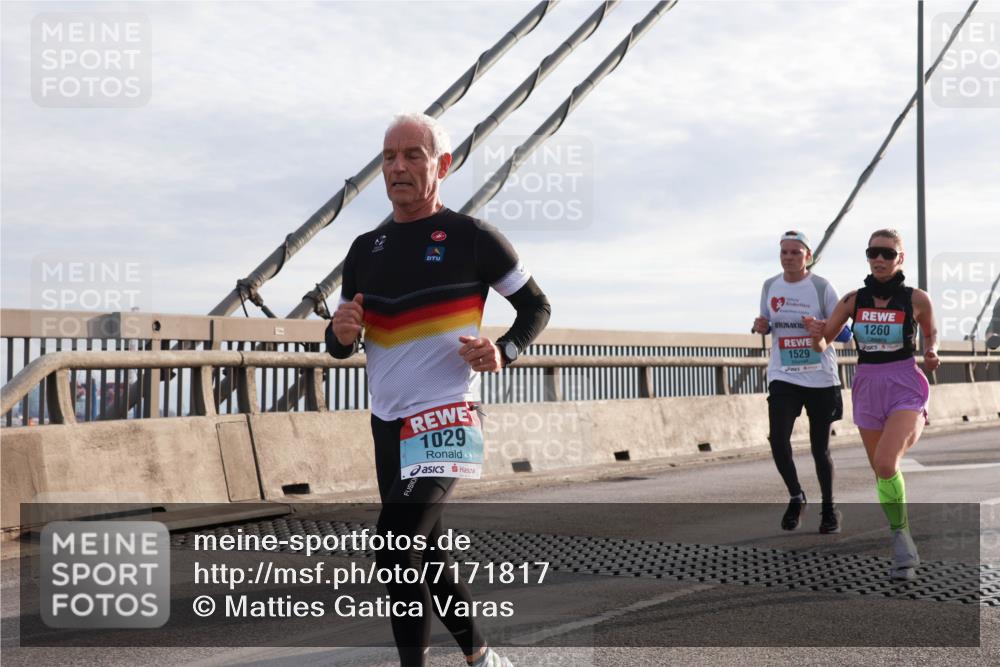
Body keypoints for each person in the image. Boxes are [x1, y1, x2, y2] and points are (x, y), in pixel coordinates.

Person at [327, 112, 550, 667]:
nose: (397, 167)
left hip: (448, 415)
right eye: (388, 157)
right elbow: (341, 342)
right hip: (389, 422)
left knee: (394, 542)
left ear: (442, 165)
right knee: (423, 551)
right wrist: (338, 334)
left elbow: (535, 306)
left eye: (413, 155)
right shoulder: (363, 249)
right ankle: (480, 655)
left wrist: (506, 349)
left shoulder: (475, 239)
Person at [804, 229, 940, 580]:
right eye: (872, 253)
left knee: (884, 461)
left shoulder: (917, 298)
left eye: (887, 253)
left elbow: (930, 331)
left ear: (900, 259)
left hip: (904, 384)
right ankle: (901, 532)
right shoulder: (853, 300)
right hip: (867, 386)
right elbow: (823, 345)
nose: (879, 259)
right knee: (883, 470)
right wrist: (816, 333)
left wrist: (931, 351)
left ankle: (902, 545)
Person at [753, 231, 845, 534]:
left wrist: (823, 327)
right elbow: (765, 322)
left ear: (808, 256)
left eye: (795, 252)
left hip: (820, 376)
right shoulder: (770, 286)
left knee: (820, 449)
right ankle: (796, 496)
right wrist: (761, 325)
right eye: (784, 252)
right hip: (784, 375)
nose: (788, 257)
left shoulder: (821, 287)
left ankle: (829, 509)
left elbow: (845, 333)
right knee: (777, 439)